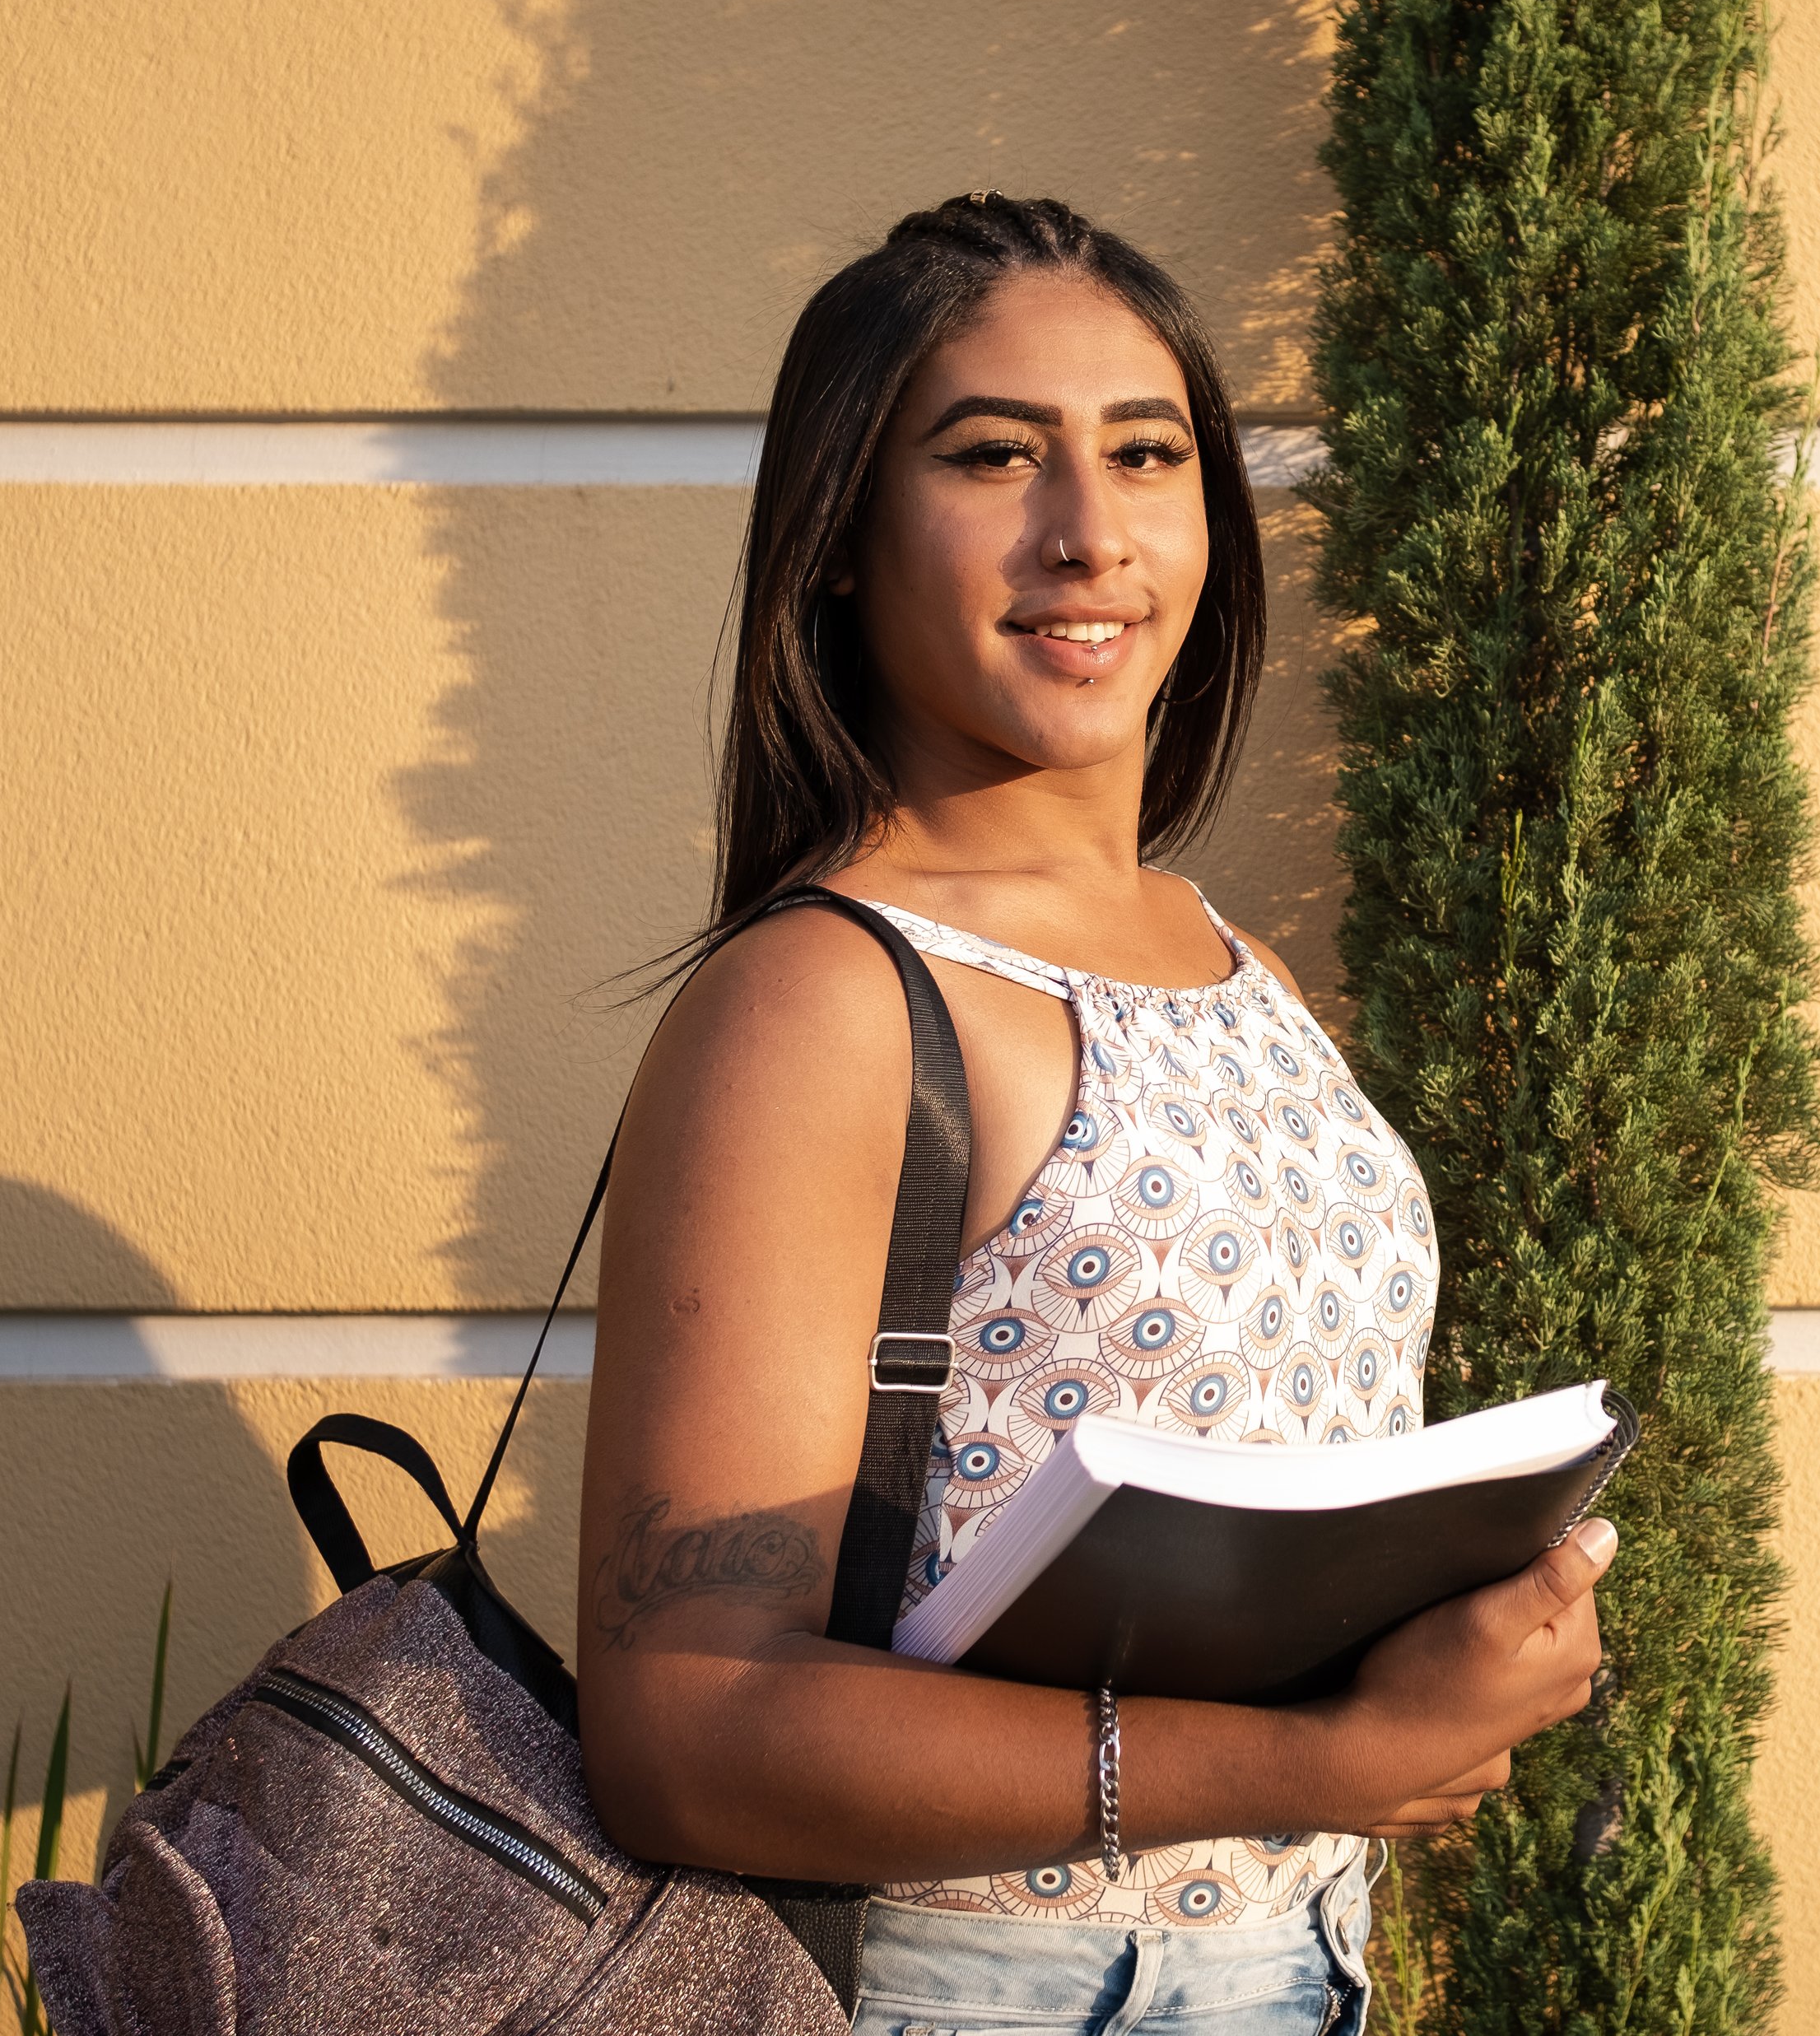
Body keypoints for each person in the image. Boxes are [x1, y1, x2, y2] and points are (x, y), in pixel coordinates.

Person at [575, 193, 1616, 2036]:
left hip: (1300, 1968)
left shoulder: (1238, 963)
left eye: (1148, 454)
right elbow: (684, 1723)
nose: (1090, 532)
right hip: (978, 1993)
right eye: (993, 456)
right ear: (839, 537)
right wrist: (1325, 1754)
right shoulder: (823, 1002)